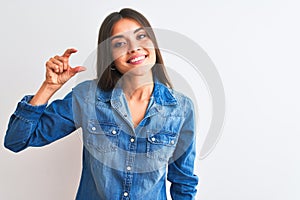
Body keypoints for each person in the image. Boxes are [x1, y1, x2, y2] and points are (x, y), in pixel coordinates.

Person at [4, 8, 198, 200]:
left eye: (141, 37)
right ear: (110, 58)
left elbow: (184, 182)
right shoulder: (87, 97)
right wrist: (48, 87)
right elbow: (16, 140)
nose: (133, 48)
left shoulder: (181, 109)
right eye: (120, 43)